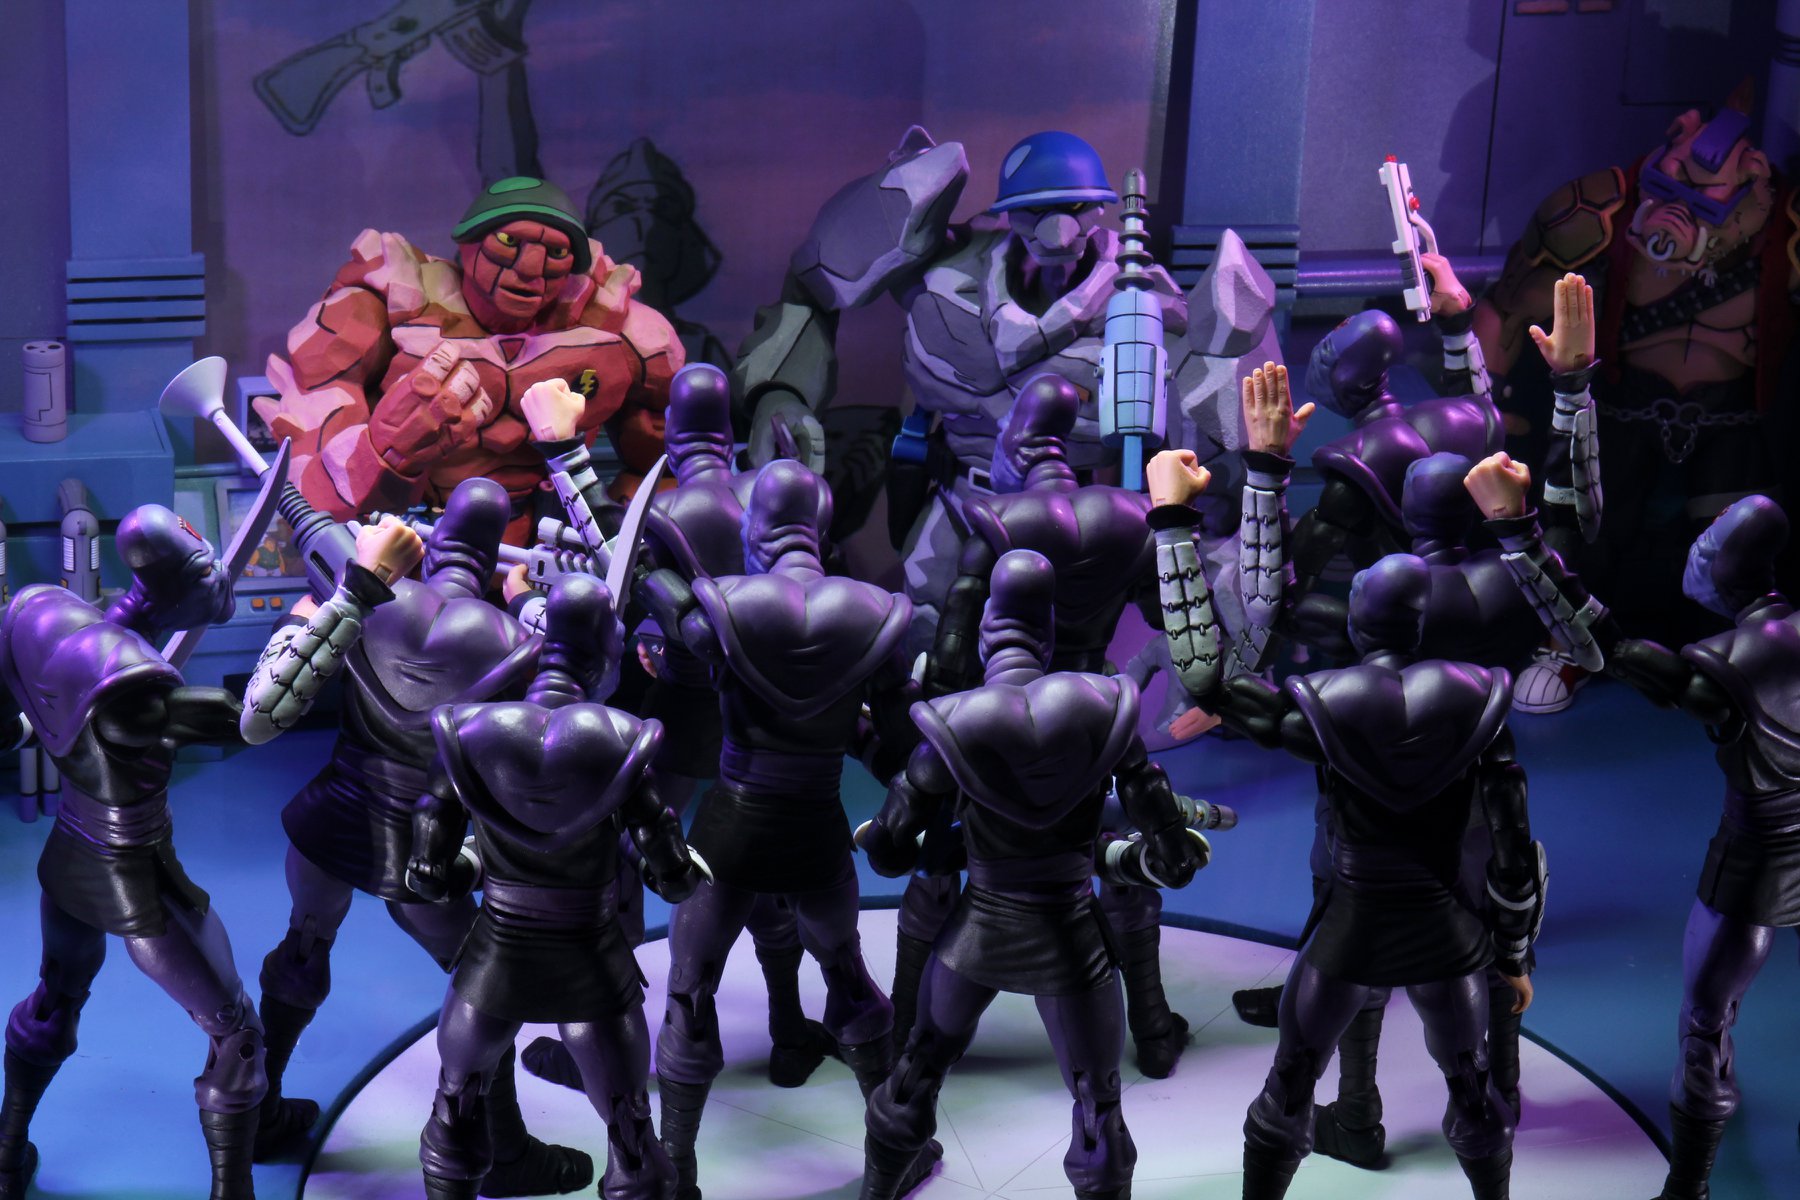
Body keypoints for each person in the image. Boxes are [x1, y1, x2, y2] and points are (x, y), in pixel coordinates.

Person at [1147, 449, 1544, 1200]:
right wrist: (1514, 953)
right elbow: (1513, 851)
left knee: (1290, 1085)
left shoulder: (1321, 707)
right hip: (1447, 932)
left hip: (1350, 928)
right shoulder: (1479, 701)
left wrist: (1172, 523)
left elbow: (1205, 679)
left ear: (1357, 619)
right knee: (1470, 1090)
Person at [0, 508, 419, 1200]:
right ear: (174, 583)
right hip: (137, 878)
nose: (222, 574)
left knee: (54, 999)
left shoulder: (39, 612)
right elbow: (257, 718)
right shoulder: (134, 688)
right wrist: (356, 592)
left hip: (67, 854)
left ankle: (7, 1153)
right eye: (205, 568)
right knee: (239, 1037)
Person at [1463, 453, 1799, 1200]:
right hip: (1758, 855)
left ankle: (1688, 1189)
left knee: (1706, 1022)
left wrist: (1518, 532)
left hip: (1755, 863)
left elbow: (1606, 647)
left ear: (1722, 562)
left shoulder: (1724, 666)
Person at [856, 548, 1208, 1200]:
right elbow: (1149, 796)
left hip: (977, 932)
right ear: (1047, 630)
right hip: (1072, 934)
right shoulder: (1102, 703)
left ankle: (877, 1193)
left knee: (917, 1070)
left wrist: (891, 843)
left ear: (988, 627)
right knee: (1098, 1104)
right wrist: (1169, 852)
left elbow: (890, 846)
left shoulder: (955, 720)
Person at [638, 459, 915, 1200]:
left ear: (754, 530)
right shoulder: (876, 611)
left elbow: (679, 626)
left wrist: (651, 574)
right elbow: (896, 745)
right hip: (817, 827)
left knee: (691, 991)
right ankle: (896, 1153)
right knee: (848, 977)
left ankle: (676, 1170)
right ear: (817, 531)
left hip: (731, 828)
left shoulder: (728, 603)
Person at [406, 576, 709, 1200]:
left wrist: (473, 864)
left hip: (492, 960)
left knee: (452, 1117)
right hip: (591, 963)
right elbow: (672, 876)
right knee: (631, 1138)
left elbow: (429, 874)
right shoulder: (619, 737)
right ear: (604, 653)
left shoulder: (469, 729)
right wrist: (680, 870)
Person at [254, 175, 681, 541]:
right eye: (509, 242)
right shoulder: (380, 309)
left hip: (554, 547)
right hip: (414, 547)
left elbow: (672, 467)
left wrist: (629, 529)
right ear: (469, 244)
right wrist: (384, 451)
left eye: (555, 253)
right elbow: (313, 498)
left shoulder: (613, 328)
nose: (530, 268)